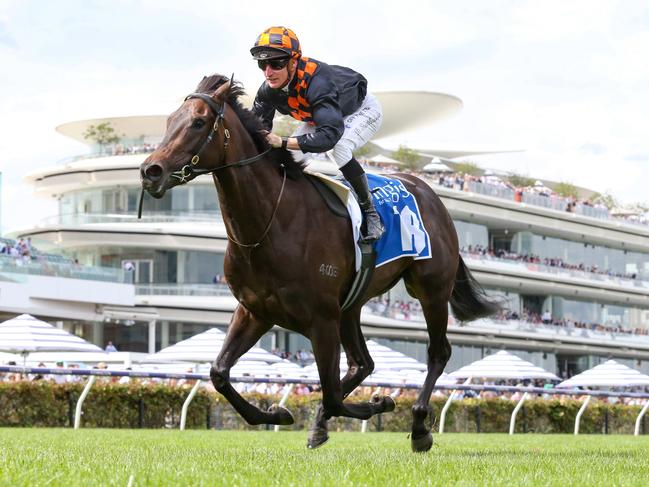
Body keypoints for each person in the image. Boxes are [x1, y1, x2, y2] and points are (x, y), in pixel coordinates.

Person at [250, 26, 384, 243]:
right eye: (262, 64)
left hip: (361, 109)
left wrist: (282, 141)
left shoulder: (317, 80)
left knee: (338, 148)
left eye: (276, 63)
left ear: (294, 61)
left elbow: (329, 136)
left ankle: (370, 212)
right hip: (319, 117)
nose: (268, 72)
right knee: (289, 160)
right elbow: (256, 129)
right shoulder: (267, 90)